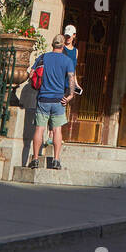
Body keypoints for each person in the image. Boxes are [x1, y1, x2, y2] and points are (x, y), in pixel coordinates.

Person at [30, 35, 76, 170]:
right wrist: (70, 96)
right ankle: (56, 160)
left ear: (52, 44)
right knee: (57, 130)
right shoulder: (68, 61)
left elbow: (32, 73)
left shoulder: (44, 57)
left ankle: (35, 159)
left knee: (39, 129)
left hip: (43, 98)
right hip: (59, 100)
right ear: (63, 46)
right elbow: (71, 79)